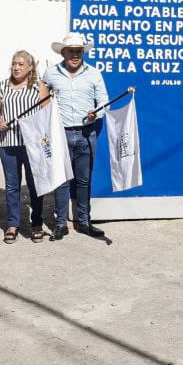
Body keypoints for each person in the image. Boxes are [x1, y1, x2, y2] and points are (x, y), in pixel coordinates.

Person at [43, 32, 109, 241]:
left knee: (83, 180)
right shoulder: (50, 74)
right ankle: (61, 223)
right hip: (60, 133)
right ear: (63, 52)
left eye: (79, 51)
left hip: (86, 133)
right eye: (71, 51)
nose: (75, 55)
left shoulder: (94, 74)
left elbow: (104, 101)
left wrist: (96, 113)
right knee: (61, 180)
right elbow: (42, 100)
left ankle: (84, 221)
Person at [0, 50, 48, 244]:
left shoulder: (38, 87)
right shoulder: (4, 86)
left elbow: (47, 113)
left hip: (32, 146)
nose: (16, 67)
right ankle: (13, 224)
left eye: (21, 64)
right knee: (12, 187)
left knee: (35, 186)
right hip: (8, 144)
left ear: (30, 67)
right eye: (14, 63)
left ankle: (37, 223)